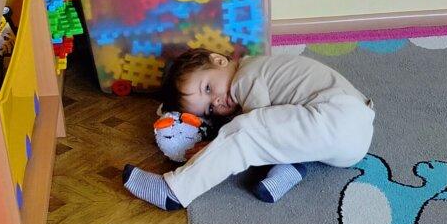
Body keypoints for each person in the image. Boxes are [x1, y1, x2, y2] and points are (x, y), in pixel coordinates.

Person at [122, 48, 375, 210]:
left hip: (335, 114)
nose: (217, 102)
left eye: (208, 88)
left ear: (219, 60)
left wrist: (215, 147)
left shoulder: (245, 76)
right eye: (209, 109)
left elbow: (254, 127)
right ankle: (289, 168)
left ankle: (175, 191)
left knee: (244, 131)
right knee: (275, 132)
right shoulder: (262, 68)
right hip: (355, 141)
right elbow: (272, 131)